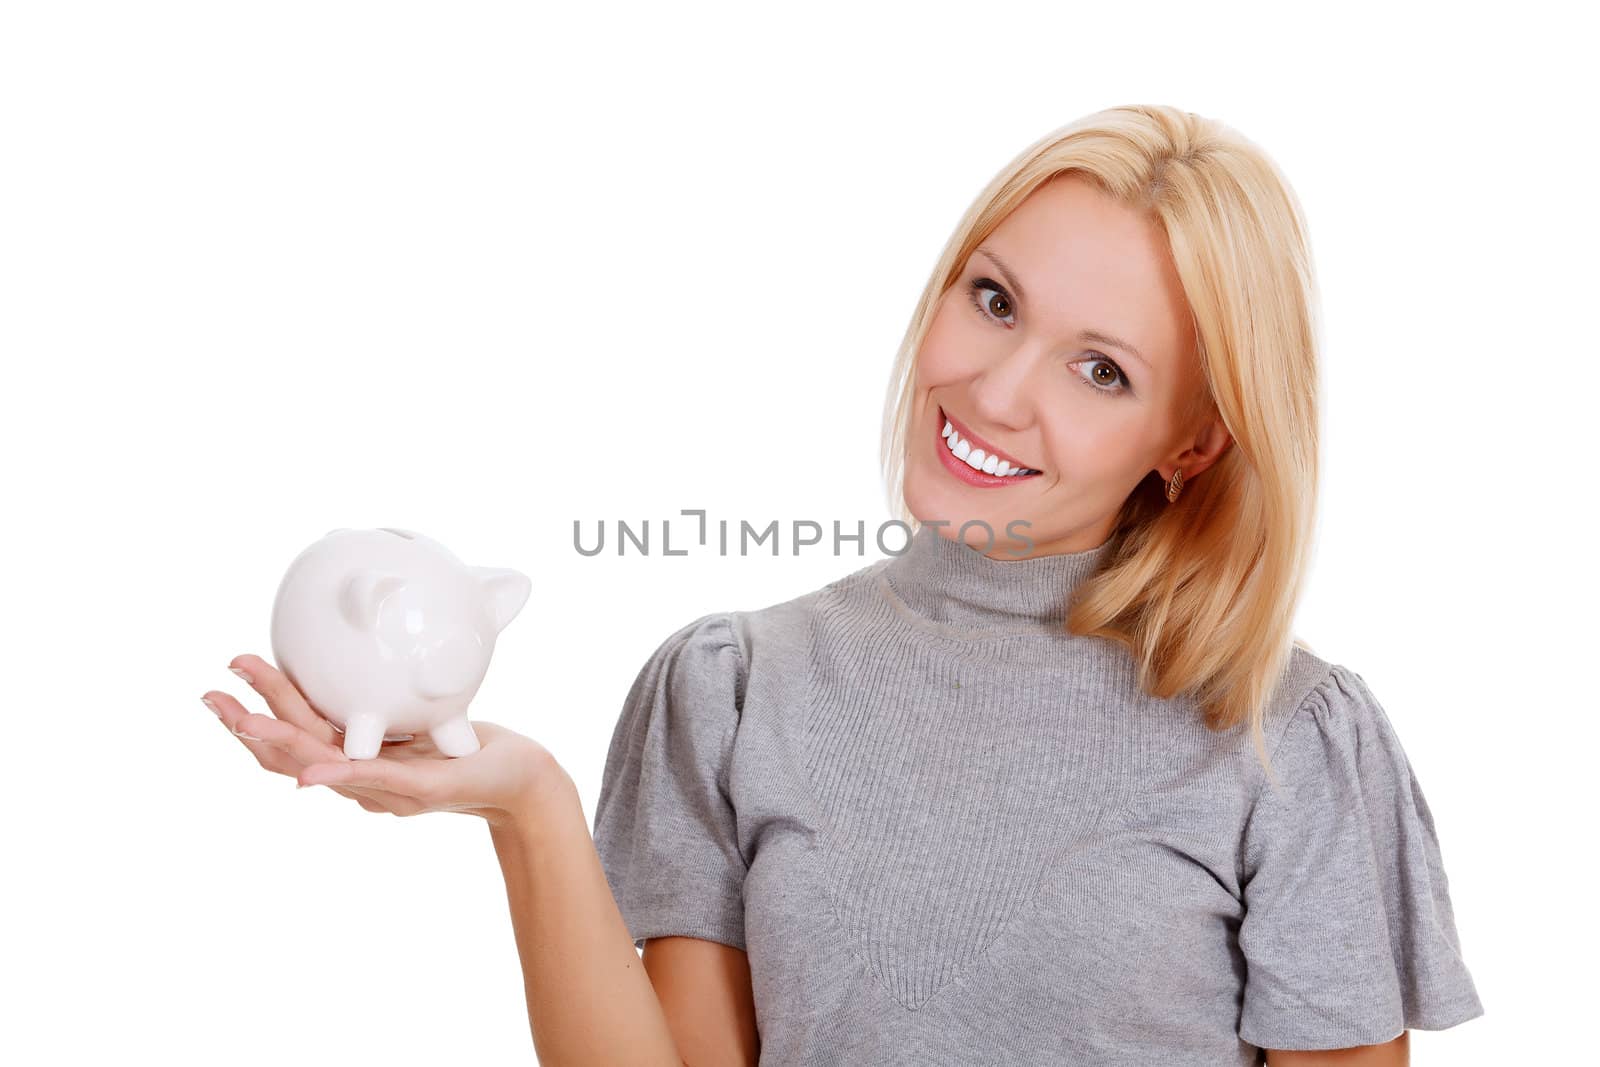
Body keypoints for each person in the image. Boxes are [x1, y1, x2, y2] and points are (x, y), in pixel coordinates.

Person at [204, 104, 1484, 1066]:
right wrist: (524, 804)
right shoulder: (735, 686)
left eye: (1101, 370)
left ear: (1191, 443)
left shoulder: (1289, 739)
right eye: (994, 301)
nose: (993, 391)